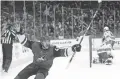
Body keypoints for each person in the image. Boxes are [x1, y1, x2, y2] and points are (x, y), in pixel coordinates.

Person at [14, 35, 81, 79]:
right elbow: (24, 42)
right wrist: (19, 32)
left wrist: (73, 48)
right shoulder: (35, 45)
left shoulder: (53, 49)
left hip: (44, 68)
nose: (47, 43)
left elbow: (64, 52)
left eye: (48, 41)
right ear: (41, 42)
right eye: (45, 41)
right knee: (20, 76)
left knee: (39, 77)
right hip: (34, 65)